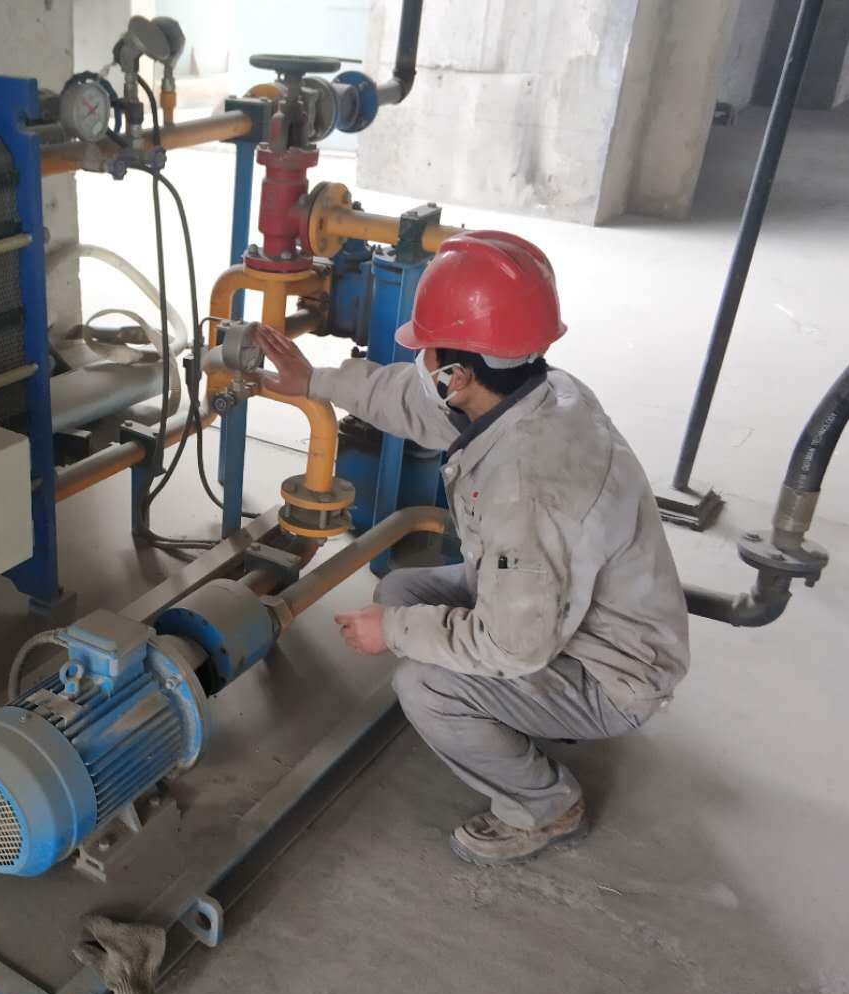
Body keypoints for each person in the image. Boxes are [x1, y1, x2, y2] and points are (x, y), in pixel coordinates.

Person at [253, 230, 689, 866]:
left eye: (426, 351)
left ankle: (546, 806)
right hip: (568, 605)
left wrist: (393, 632)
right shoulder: (538, 392)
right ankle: (505, 716)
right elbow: (414, 402)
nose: (420, 361)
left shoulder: (528, 490)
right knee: (400, 589)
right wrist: (313, 380)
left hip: (612, 671)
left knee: (424, 683)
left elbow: (516, 644)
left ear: (456, 374)